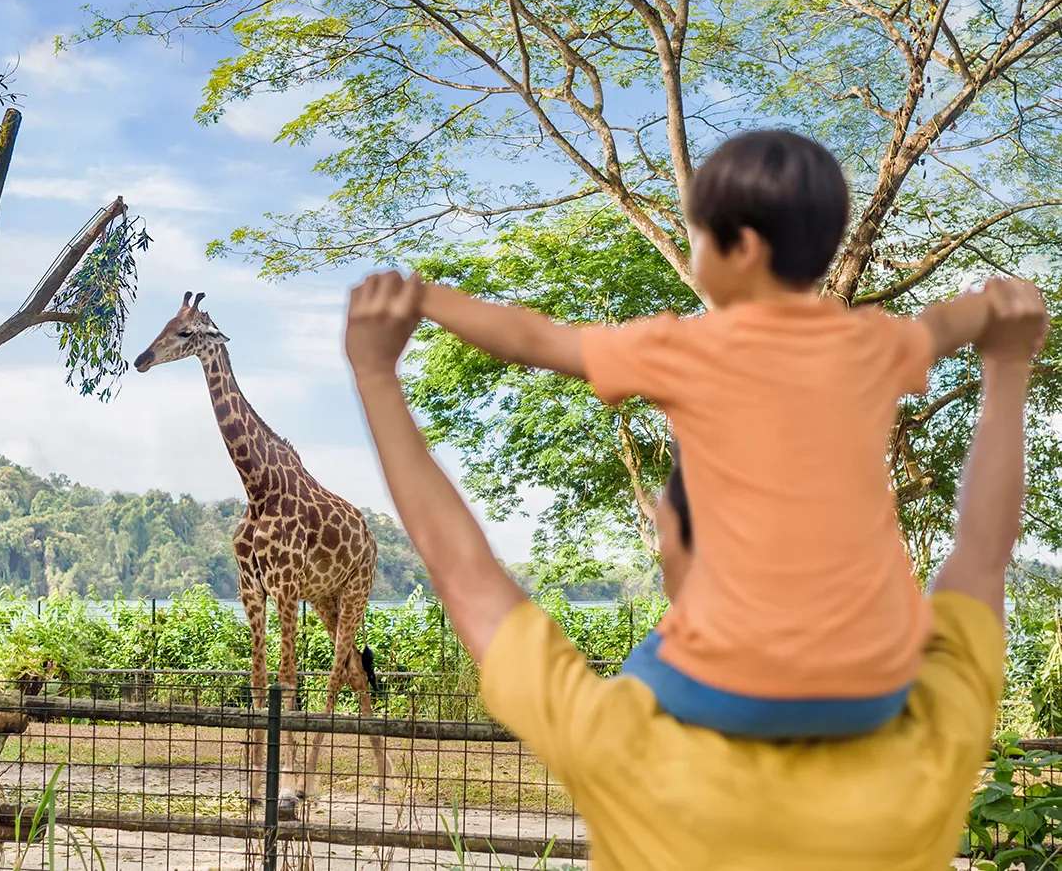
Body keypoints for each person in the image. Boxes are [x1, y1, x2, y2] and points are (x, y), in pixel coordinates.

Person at [344, 268, 1045, 867]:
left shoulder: (624, 744)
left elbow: (463, 573)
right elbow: (981, 558)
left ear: (672, 539)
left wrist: (376, 375)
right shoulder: (929, 733)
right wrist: (1008, 367)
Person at [417, 129, 1008, 738]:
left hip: (733, 686)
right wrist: (992, 304)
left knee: (635, 678)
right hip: (875, 685)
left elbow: (534, 340)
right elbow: (944, 326)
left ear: (743, 248)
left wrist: (426, 299)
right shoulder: (875, 343)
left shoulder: (688, 348)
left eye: (696, 235)